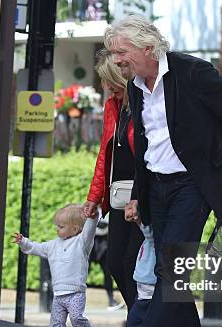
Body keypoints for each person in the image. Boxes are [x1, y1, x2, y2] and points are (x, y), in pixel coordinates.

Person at [103, 15, 222, 327]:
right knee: (167, 268)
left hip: (193, 184)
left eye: (121, 51)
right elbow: (146, 145)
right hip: (157, 185)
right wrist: (138, 194)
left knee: (173, 266)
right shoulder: (136, 86)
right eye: (113, 52)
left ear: (147, 47)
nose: (116, 59)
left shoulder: (192, 72)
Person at [84, 49, 143, 310]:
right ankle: (140, 323)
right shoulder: (113, 107)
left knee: (134, 262)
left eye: (115, 90)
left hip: (142, 195)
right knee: (116, 262)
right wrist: (94, 197)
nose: (111, 95)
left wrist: (141, 197)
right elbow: (104, 154)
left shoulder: (144, 107)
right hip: (119, 196)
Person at [13, 204, 102, 327]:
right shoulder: (53, 245)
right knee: (56, 322)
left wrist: (93, 217)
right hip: (58, 294)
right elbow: (36, 247)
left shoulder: (82, 243)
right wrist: (24, 242)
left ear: (75, 229)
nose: (57, 229)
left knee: (77, 319)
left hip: (75, 292)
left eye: (61, 226)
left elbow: (89, 230)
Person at [106, 217, 156, 327]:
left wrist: (139, 220)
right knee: (134, 323)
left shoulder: (152, 240)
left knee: (136, 324)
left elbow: (148, 231)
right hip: (142, 291)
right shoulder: (147, 243)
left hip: (148, 292)